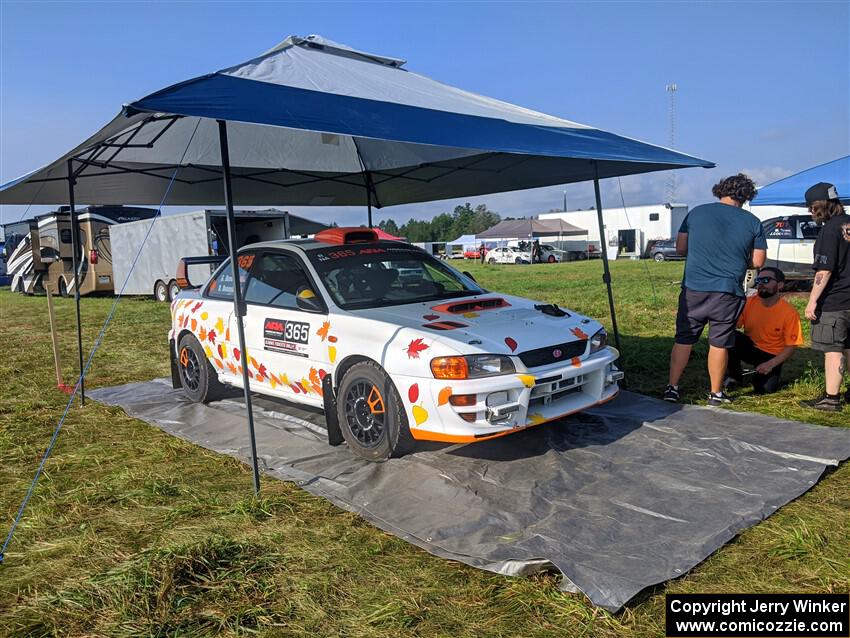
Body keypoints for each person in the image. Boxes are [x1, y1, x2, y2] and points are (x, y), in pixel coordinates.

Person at [663, 173, 767, 406]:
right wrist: (738, 260)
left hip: (694, 288)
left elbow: (681, 248)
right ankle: (715, 394)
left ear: (720, 190)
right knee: (719, 343)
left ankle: (672, 388)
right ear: (746, 196)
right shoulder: (752, 222)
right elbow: (758, 261)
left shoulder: (696, 213)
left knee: (684, 339)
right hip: (727, 291)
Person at [800, 182, 849, 412]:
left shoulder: (829, 231)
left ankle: (831, 398)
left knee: (833, 349)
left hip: (836, 301)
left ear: (821, 206)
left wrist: (812, 301)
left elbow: (824, 270)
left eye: (812, 208)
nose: (811, 213)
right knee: (848, 346)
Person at [725, 267, 802, 394]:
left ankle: (768, 375)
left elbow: (791, 347)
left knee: (764, 390)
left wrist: (771, 364)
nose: (761, 284)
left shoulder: (789, 313)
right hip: (750, 346)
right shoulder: (749, 302)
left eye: (766, 280)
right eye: (758, 280)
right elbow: (734, 325)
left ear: (780, 285)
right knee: (728, 336)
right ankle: (734, 376)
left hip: (772, 355)